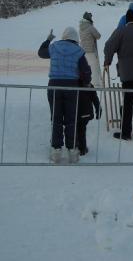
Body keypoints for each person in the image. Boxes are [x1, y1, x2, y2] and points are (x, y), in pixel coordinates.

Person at [38, 26, 93, 163]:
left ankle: (56, 150)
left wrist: (48, 40)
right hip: (71, 87)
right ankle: (72, 150)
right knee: (71, 119)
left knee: (56, 118)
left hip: (54, 86)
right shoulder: (78, 51)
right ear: (75, 39)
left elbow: (41, 53)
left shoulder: (54, 47)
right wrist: (86, 82)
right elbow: (86, 71)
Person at [104, 7, 133, 141]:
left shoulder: (121, 31)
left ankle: (126, 133)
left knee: (128, 103)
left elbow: (109, 46)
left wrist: (107, 61)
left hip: (128, 74)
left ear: (126, 20)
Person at [78, 11, 103, 155]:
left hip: (83, 51)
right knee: (92, 71)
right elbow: (98, 35)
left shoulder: (80, 26)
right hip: (91, 51)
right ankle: (94, 85)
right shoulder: (90, 26)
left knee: (85, 70)